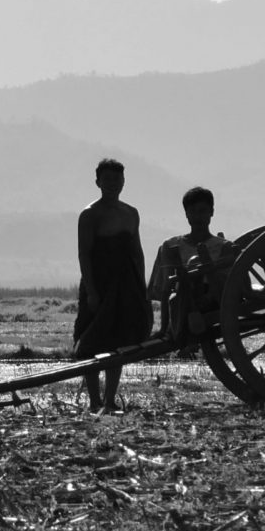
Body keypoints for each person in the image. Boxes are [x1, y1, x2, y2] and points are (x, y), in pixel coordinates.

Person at [74, 158, 152, 414]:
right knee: (92, 342)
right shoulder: (89, 214)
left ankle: (109, 401)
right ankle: (94, 400)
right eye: (107, 180)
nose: (112, 184)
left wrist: (142, 288)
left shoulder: (131, 213)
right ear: (98, 182)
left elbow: (137, 253)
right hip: (99, 283)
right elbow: (84, 254)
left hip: (126, 285)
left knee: (118, 342)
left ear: (123, 182)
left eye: (117, 180)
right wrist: (93, 293)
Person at [148, 187, 236, 344]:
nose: (198, 217)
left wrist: (208, 298)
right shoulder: (170, 245)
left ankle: (183, 336)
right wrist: (163, 328)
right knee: (179, 291)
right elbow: (166, 289)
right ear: (186, 214)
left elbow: (226, 286)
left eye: (203, 211)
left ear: (212, 212)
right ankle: (178, 334)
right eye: (192, 212)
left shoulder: (225, 246)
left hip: (214, 301)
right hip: (181, 300)